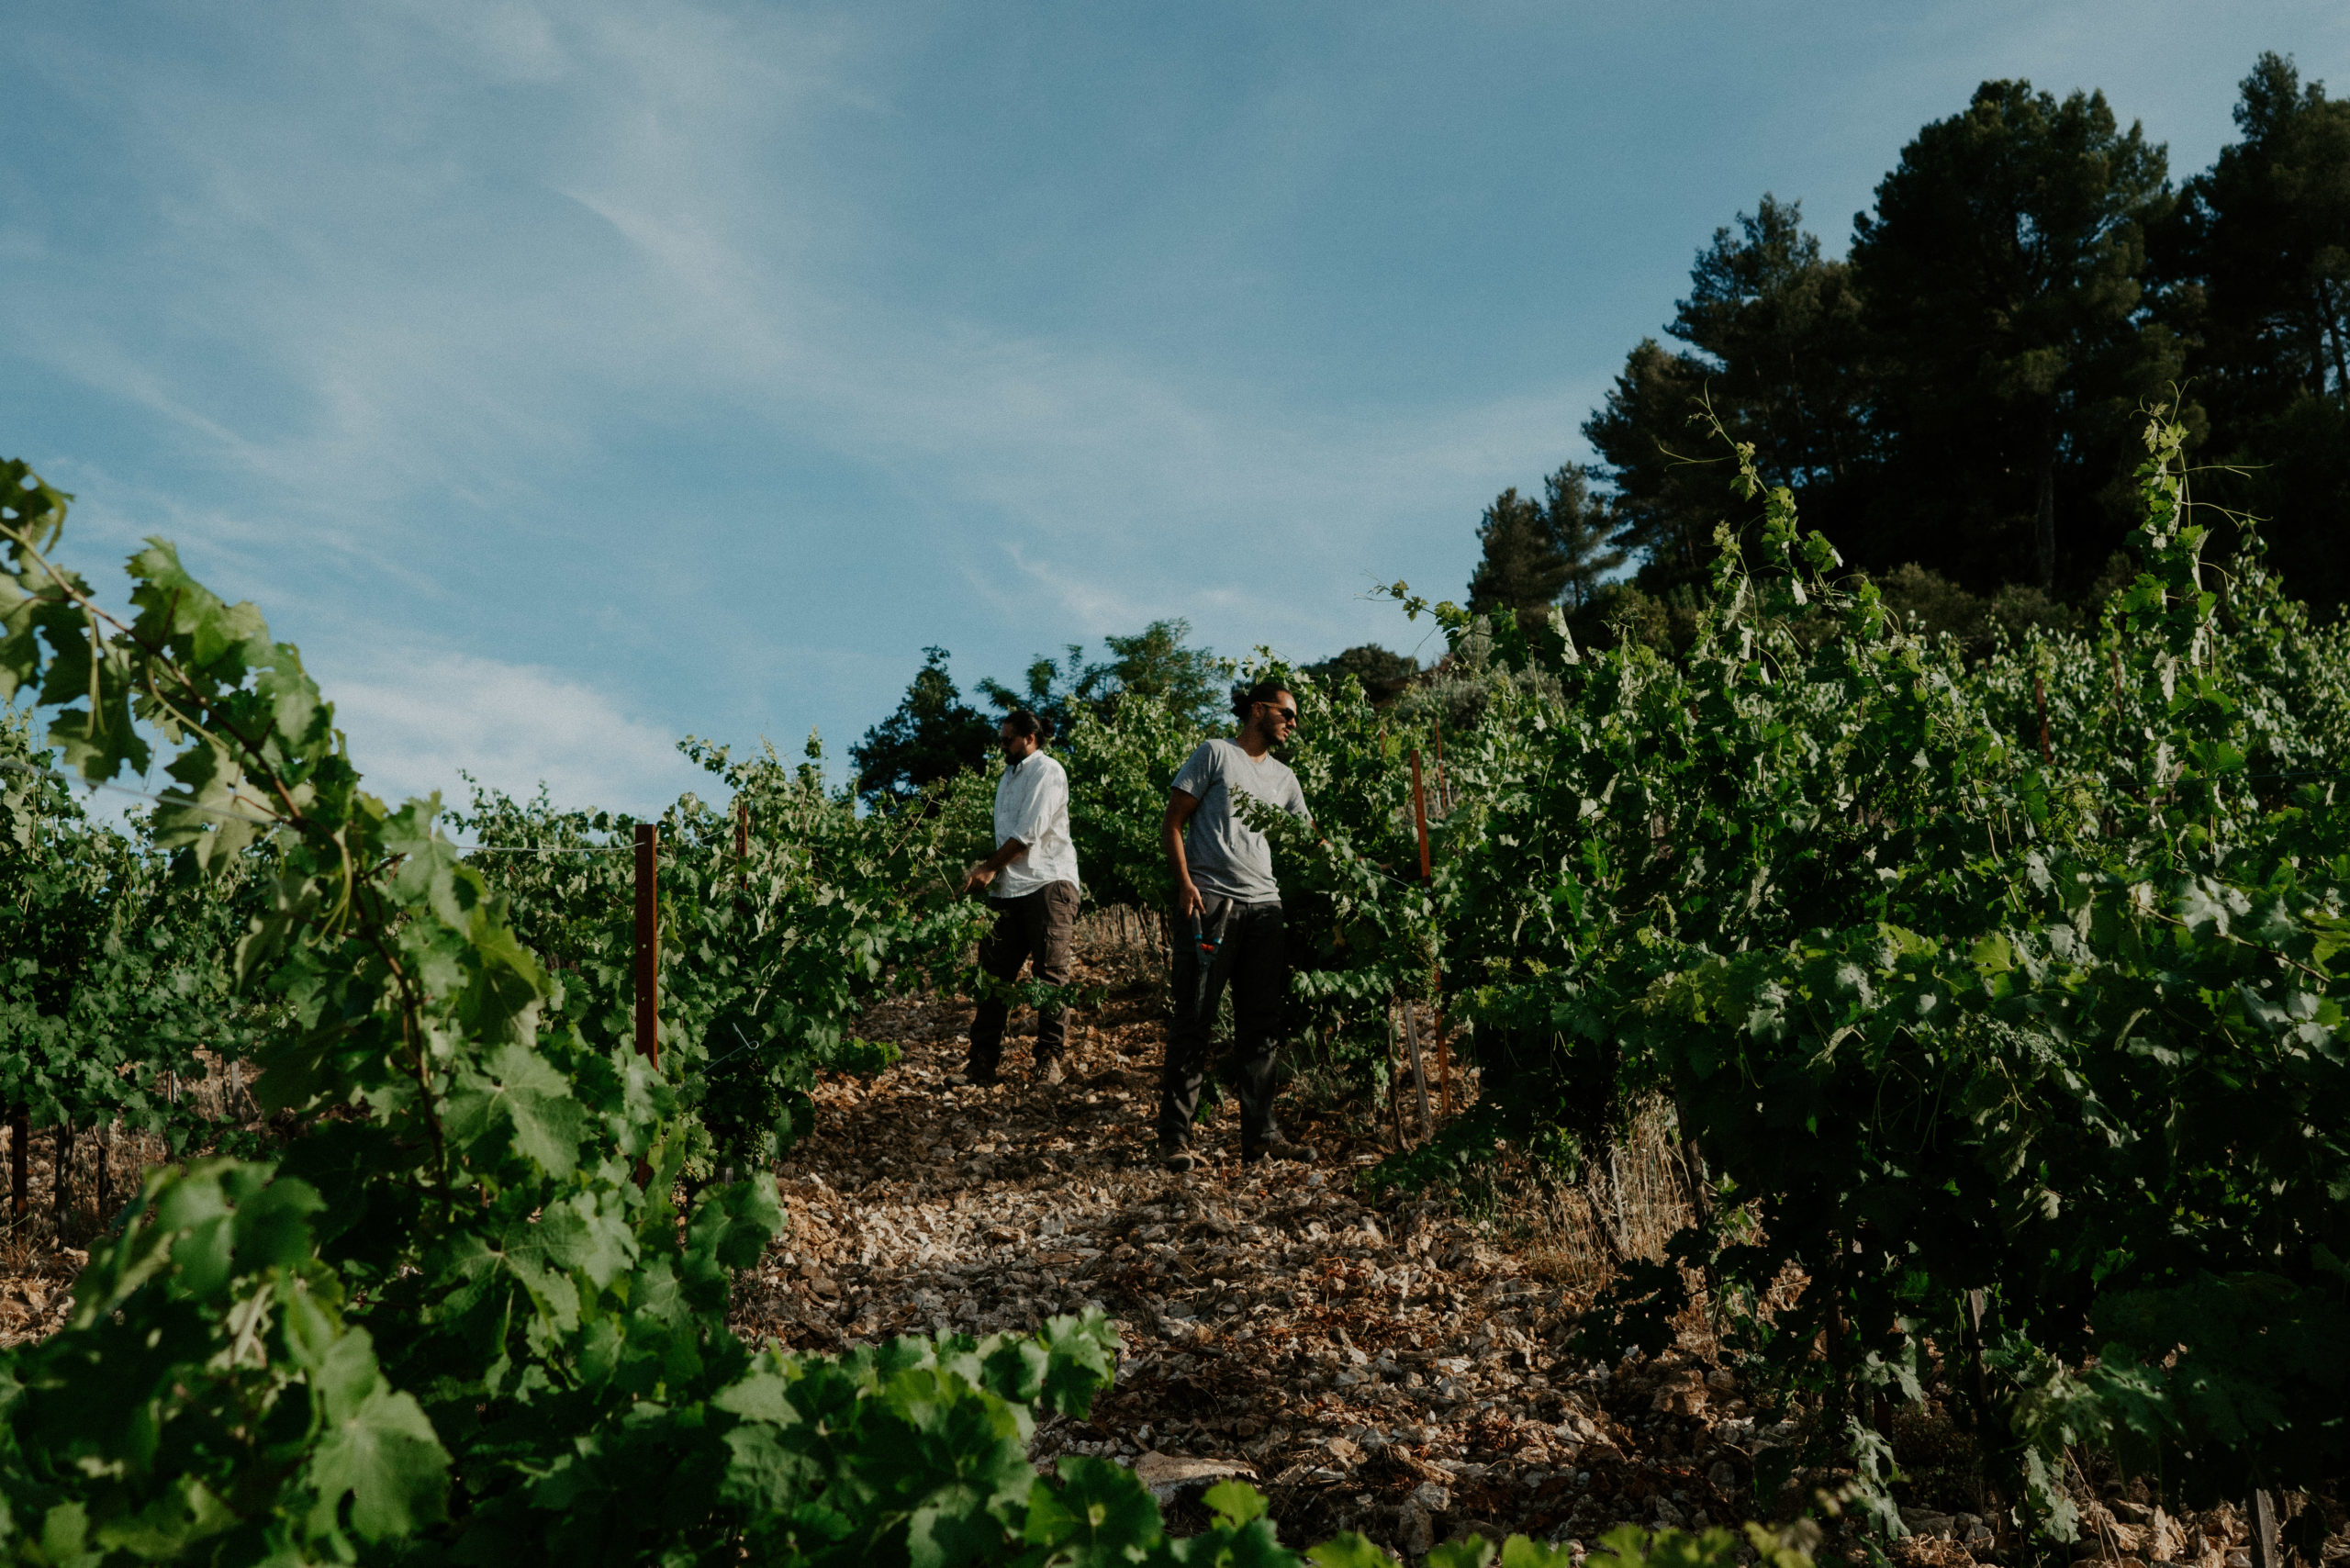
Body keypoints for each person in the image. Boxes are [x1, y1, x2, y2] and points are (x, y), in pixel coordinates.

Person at [1158, 680, 1313, 1170]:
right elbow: (1173, 822)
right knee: (1195, 1021)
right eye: (1287, 713)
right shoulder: (1216, 754)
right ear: (1258, 710)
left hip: (1266, 908)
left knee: (1260, 1028)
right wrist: (1185, 885)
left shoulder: (1286, 779)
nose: (1293, 723)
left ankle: (1261, 1141)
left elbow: (1311, 838)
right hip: (1213, 904)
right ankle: (1175, 1140)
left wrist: (1361, 874)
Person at [951, 710, 1081, 1088]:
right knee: (992, 978)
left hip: (1048, 883)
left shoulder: (1048, 771)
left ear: (1030, 738)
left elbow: (1028, 834)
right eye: (1000, 739)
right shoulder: (1007, 778)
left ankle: (1049, 1061)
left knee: (1050, 976)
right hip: (1009, 888)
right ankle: (981, 1064)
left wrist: (988, 867)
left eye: (1007, 739)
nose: (1001, 746)